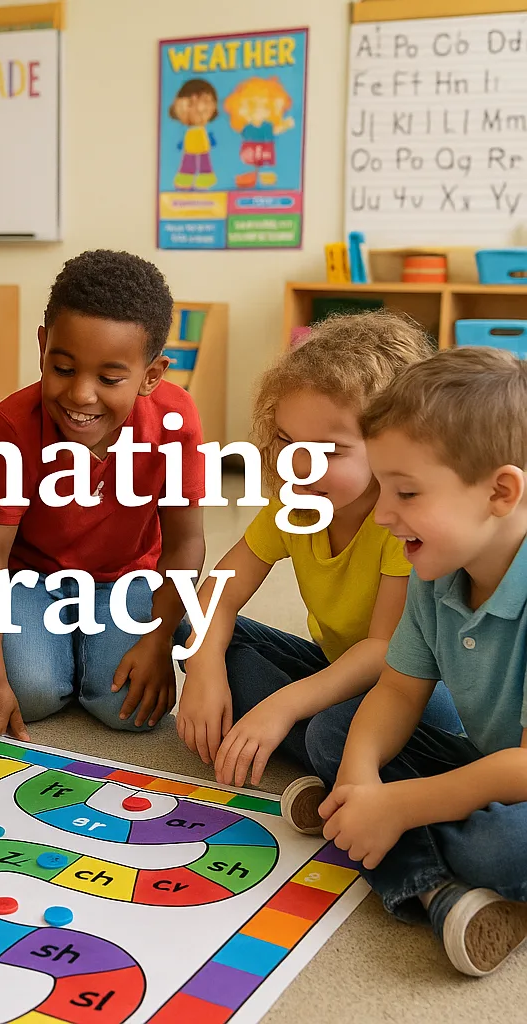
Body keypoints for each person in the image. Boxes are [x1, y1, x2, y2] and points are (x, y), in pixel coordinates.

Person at [177, 312, 461, 817]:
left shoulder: (401, 521)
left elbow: (383, 651)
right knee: (199, 635)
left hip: (420, 696)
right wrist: (203, 674)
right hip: (340, 674)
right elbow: (218, 591)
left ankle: (333, 753)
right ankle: (318, 747)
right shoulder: (294, 503)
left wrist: (279, 707)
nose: (298, 466)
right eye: (286, 441)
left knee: (332, 731)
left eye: (328, 450)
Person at [312, 348, 527, 977]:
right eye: (382, 487)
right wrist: (359, 779)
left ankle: (424, 881)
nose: (381, 513)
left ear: (500, 491)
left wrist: (400, 807)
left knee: (501, 849)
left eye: (406, 491)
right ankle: (444, 894)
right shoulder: (435, 573)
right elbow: (399, 693)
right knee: (335, 731)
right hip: (493, 767)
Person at [0, 251, 204, 748]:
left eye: (109, 379)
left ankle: (84, 652)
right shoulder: (10, 425)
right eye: (63, 367)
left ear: (151, 375)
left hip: (127, 580)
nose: (81, 395)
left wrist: (156, 640)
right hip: (33, 580)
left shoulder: (175, 419)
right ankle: (44, 655)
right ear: (43, 347)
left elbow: (186, 545)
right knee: (28, 694)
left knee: (129, 711)